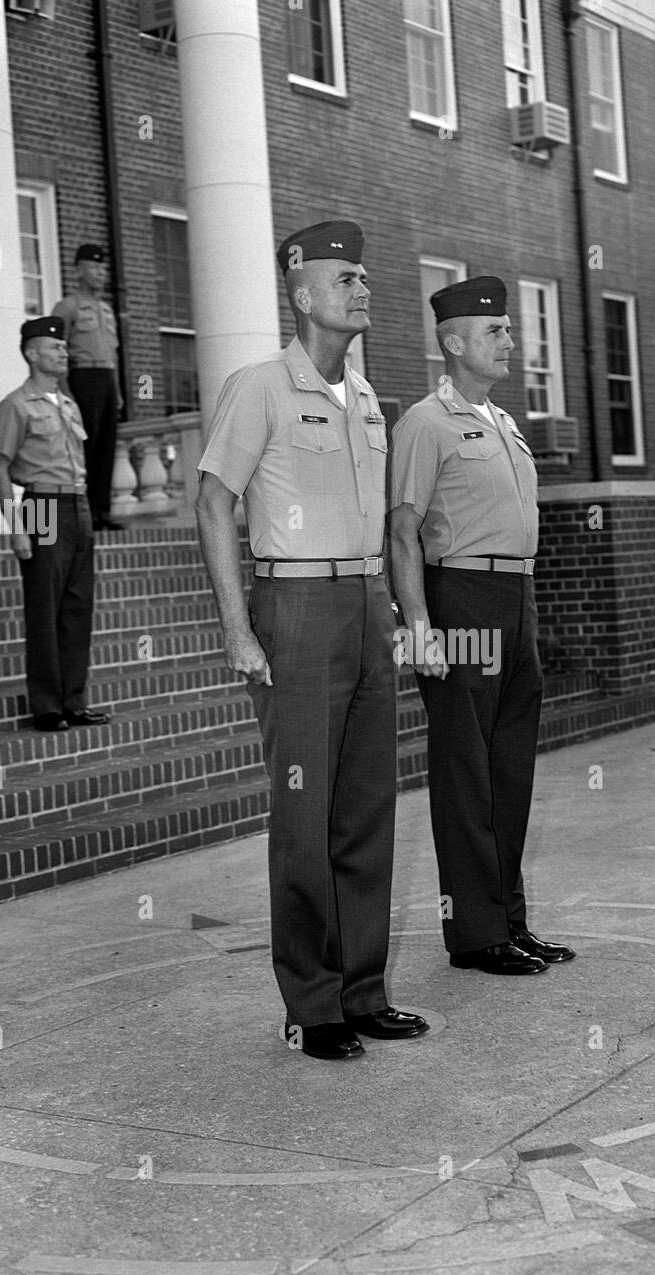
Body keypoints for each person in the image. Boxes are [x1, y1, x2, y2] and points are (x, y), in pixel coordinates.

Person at [195, 219, 427, 1063]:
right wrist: (235, 625)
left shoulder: (365, 397)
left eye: (365, 279)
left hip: (364, 605)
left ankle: (363, 991)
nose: (362, 290)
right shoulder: (259, 385)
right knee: (305, 812)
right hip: (293, 609)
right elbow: (214, 501)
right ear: (301, 293)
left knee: (367, 806)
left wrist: (397, 613)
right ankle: (311, 1002)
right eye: (345, 279)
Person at [390, 275, 575, 975]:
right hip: (459, 597)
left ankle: (509, 920)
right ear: (454, 341)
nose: (510, 340)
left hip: (514, 597)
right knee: (467, 771)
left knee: (508, 769)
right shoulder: (424, 424)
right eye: (495, 331)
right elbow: (402, 534)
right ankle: (474, 935)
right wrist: (419, 627)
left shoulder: (503, 423)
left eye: (507, 330)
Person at [0, 317, 111, 733]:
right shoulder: (16, 405)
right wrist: (16, 528)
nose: (64, 352)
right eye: (54, 347)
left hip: (77, 504)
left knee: (77, 608)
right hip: (40, 504)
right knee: (44, 607)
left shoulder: (70, 404)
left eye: (63, 348)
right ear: (31, 353)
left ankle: (74, 700)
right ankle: (46, 705)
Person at [52, 244, 124, 530]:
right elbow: (56, 348)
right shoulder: (67, 306)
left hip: (106, 380)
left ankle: (103, 512)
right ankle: (85, 512)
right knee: (86, 447)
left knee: (106, 448)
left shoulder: (107, 310)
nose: (101, 273)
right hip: (83, 379)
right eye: (94, 267)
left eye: (104, 268)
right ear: (78, 271)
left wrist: (117, 391)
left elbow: (115, 354)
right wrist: (64, 390)